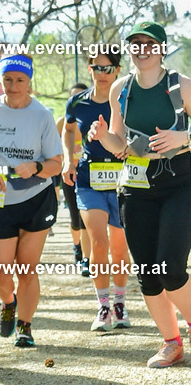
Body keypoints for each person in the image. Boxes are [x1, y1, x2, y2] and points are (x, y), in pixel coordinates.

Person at [89, 22, 191, 368]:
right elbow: (120, 144)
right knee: (149, 274)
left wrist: (184, 139)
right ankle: (171, 342)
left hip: (180, 185)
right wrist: (104, 136)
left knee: (172, 270)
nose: (142, 49)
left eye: (150, 43)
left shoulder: (181, 86)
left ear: (162, 48)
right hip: (135, 188)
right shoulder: (121, 88)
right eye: (136, 43)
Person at [0, 55, 62, 348]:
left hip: (35, 196)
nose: (13, 86)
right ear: (1, 79)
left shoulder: (42, 115)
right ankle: (9, 301)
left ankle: (25, 326)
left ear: (29, 81)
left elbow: (56, 163)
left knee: (26, 268)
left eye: (20, 80)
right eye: (8, 79)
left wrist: (36, 167)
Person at [62, 47, 131, 332]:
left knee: (119, 246)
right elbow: (68, 130)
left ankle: (120, 302)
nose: (101, 74)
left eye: (107, 68)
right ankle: (103, 307)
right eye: (96, 68)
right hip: (89, 180)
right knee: (98, 242)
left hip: (123, 180)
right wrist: (69, 158)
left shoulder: (127, 100)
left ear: (117, 70)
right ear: (89, 70)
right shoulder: (77, 102)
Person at [56, 83, 91, 273]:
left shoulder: (91, 118)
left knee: (85, 218)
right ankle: (76, 247)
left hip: (88, 174)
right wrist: (67, 154)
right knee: (75, 219)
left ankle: (87, 257)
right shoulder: (62, 123)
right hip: (69, 174)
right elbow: (52, 147)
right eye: (74, 97)